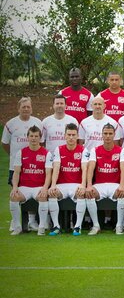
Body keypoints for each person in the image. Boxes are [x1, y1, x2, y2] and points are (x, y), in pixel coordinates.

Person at [2, 97, 42, 231]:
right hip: (16, 166)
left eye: (28, 107)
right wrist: (14, 156)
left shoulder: (37, 122)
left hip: (33, 167)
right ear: (18, 108)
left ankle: (31, 221)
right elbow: (5, 144)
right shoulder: (11, 124)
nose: (26, 109)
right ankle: (15, 222)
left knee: (32, 191)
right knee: (15, 191)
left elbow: (41, 142)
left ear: (31, 108)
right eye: (23, 107)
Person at [82, 124, 124, 235]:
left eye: (110, 133)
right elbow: (90, 168)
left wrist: (122, 185)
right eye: (105, 133)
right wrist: (89, 185)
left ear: (114, 135)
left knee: (122, 194)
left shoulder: (121, 150)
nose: (107, 136)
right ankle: (96, 225)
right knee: (89, 194)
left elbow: (123, 168)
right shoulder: (95, 150)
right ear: (102, 135)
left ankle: (119, 226)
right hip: (99, 185)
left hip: (115, 184)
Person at [9, 126, 53, 235]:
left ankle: (41, 227)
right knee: (14, 196)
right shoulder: (21, 153)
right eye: (31, 136)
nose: (34, 138)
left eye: (36, 136)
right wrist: (15, 187)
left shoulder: (46, 153)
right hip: (24, 187)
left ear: (40, 138)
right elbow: (16, 172)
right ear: (27, 137)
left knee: (43, 196)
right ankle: (17, 226)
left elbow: (48, 174)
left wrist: (44, 188)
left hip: (39, 187)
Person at [47, 123, 86, 236]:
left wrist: (83, 185)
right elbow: (56, 168)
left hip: (76, 184)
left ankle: (77, 226)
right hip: (62, 185)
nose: (71, 137)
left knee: (81, 194)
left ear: (77, 136)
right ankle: (56, 226)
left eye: (74, 135)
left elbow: (84, 169)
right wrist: (53, 185)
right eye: (69, 134)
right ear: (64, 136)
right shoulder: (58, 150)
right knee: (52, 193)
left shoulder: (83, 150)